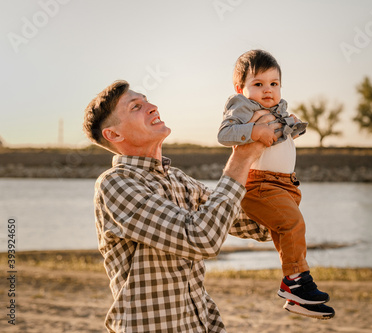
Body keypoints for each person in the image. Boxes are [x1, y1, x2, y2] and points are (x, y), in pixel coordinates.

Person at [83, 80, 280, 333]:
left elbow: (261, 227)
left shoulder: (178, 179)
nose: (152, 107)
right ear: (114, 134)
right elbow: (201, 238)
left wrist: (275, 158)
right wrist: (241, 157)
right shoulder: (115, 184)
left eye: (147, 100)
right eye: (136, 106)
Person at [217, 49, 335, 319]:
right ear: (240, 88)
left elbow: (285, 133)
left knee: (286, 234)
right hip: (260, 183)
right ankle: (296, 283)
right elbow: (224, 134)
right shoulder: (243, 107)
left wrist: (294, 125)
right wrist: (254, 131)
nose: (267, 90)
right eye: (258, 84)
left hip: (287, 185)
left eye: (274, 84)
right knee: (293, 224)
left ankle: (297, 290)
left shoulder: (276, 109)